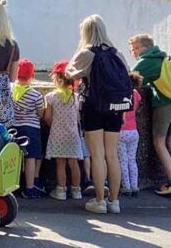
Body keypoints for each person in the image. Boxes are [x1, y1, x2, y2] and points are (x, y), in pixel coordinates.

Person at [67, 15, 127, 214]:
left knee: (97, 155)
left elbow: (70, 73)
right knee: (112, 155)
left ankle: (100, 200)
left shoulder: (87, 53)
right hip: (116, 108)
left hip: (94, 106)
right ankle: (114, 201)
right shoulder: (116, 53)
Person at [128, 34, 171, 200]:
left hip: (164, 104)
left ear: (144, 48)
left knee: (159, 142)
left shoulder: (146, 60)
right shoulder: (164, 57)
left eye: (135, 49)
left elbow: (130, 81)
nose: (133, 53)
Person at [44, 61, 83, 201]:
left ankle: (61, 190)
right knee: (74, 163)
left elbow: (47, 117)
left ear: (57, 79)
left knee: (60, 163)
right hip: (73, 135)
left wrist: (51, 125)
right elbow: (78, 117)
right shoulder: (77, 97)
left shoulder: (51, 97)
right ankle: (76, 190)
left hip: (57, 135)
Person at [13, 59, 46, 199]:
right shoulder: (36, 95)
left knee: (14, 157)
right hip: (31, 128)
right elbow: (41, 113)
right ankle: (30, 188)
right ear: (32, 76)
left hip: (14, 128)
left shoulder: (10, 91)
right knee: (31, 157)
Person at [119, 73, 143, 197]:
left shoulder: (121, 93)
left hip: (121, 131)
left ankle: (126, 186)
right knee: (132, 160)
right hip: (134, 130)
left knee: (123, 161)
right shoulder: (136, 94)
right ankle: (135, 186)